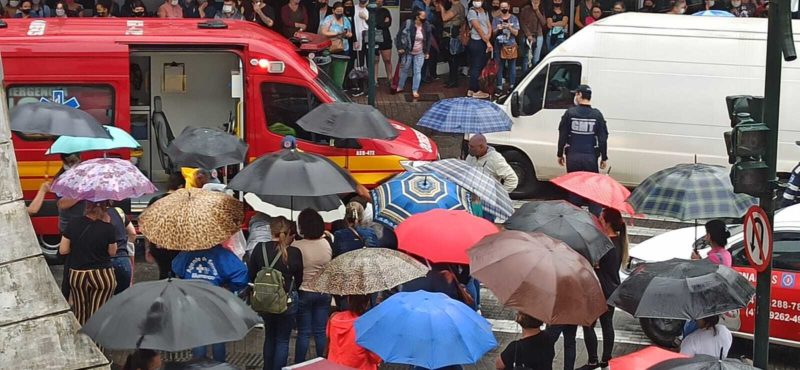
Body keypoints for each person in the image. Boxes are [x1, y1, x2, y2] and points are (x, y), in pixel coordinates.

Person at [172, 241, 249, 362]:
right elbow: (242, 275)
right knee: (218, 337)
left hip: (193, 299)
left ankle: (198, 365)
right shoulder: (223, 254)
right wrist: (228, 287)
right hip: (215, 300)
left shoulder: (188, 252)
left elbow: (176, 267)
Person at [247, 217, 304, 370]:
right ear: (289, 232)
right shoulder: (294, 252)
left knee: (269, 337)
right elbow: (299, 280)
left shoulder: (260, 248)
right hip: (286, 302)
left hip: (265, 300)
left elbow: (251, 274)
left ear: (270, 230)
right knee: (283, 340)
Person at [577, 208, 628, 370]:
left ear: (606, 223)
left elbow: (593, 264)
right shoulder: (620, 241)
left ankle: (593, 361)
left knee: (588, 325)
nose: (598, 219)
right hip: (612, 289)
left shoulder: (604, 245)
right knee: (607, 325)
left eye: (601, 218)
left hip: (598, 291)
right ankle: (606, 360)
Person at [58, 201, 118, 325]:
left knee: (80, 314)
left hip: (78, 274)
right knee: (99, 315)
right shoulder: (108, 228)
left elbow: (63, 250)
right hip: (102, 275)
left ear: (87, 207)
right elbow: (112, 252)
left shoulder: (73, 223)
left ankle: (82, 343)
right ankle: (97, 344)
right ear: (102, 208)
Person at [556, 84, 608, 216]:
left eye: (576, 94)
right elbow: (603, 138)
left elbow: (562, 134)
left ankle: (574, 217)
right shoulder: (597, 115)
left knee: (574, 188)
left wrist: (560, 153)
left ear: (579, 95)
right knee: (593, 189)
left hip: (573, 156)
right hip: (590, 156)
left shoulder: (570, 113)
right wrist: (604, 157)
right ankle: (596, 218)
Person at [293, 208, 333, 363]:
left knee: (303, 332)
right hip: (323, 293)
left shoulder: (296, 245)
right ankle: (322, 362)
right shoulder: (326, 243)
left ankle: (300, 364)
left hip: (304, 291)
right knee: (320, 331)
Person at [144, 173, 185, 279]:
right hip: (178, 244)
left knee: (164, 272)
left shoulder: (155, 200)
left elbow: (147, 224)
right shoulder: (183, 202)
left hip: (158, 245)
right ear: (180, 186)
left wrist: (148, 247)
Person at [327, 295, 382, 370]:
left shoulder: (334, 318)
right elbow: (376, 358)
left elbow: (329, 338)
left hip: (334, 366)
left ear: (348, 299)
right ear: (368, 302)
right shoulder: (367, 326)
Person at [395, 9, 432, 100]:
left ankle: (415, 90)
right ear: (417, 17)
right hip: (408, 51)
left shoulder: (426, 26)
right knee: (405, 69)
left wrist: (427, 52)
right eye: (423, 16)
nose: (425, 18)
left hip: (420, 52)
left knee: (417, 70)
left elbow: (428, 40)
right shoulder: (408, 24)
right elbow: (399, 35)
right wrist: (400, 47)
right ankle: (400, 86)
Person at [320, 2, 353, 88]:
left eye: (341, 11)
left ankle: (340, 87)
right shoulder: (329, 19)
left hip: (344, 47)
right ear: (333, 10)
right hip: (331, 47)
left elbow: (350, 33)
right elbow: (324, 32)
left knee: (341, 70)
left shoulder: (345, 19)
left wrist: (347, 34)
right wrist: (336, 33)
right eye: (338, 11)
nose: (339, 13)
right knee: (330, 69)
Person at [492, 1, 519, 95]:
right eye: (502, 7)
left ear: (509, 7)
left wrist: (509, 27)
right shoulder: (496, 19)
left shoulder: (514, 18)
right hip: (499, 45)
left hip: (511, 45)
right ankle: (499, 86)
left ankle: (512, 86)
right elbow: (493, 33)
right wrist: (498, 29)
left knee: (512, 67)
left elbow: (516, 33)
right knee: (499, 66)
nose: (504, 9)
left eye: (505, 7)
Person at [466, 0, 492, 99]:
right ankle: (474, 89)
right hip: (476, 41)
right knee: (476, 65)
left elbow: (488, 25)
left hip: (484, 41)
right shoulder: (472, 12)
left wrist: (488, 36)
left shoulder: (484, 11)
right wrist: (487, 42)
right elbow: (478, 28)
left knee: (481, 64)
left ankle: (472, 89)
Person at [109, 205, 137, 294]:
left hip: (103, 261)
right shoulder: (118, 211)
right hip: (122, 260)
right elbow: (132, 233)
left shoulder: (91, 215)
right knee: (123, 299)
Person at [439, 0, 465, 88]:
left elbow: (445, 18)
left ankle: (453, 81)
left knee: (453, 59)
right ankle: (452, 79)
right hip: (455, 34)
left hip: (451, 35)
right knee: (453, 59)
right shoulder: (461, 6)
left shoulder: (456, 7)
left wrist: (442, 7)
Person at [519, 0, 545, 73]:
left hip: (539, 36)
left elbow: (543, 23)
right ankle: (524, 76)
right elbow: (522, 23)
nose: (535, 2)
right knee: (526, 57)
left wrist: (537, 11)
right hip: (526, 36)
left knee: (536, 59)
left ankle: (534, 77)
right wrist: (528, 35)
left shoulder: (541, 9)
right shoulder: (525, 9)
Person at [374, 0, 393, 86]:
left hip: (385, 37)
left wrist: (378, 23)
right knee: (375, 60)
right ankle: (375, 80)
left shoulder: (385, 11)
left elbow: (388, 24)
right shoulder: (370, 10)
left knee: (387, 59)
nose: (380, 1)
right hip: (375, 37)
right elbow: (373, 24)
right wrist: (381, 22)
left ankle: (390, 78)